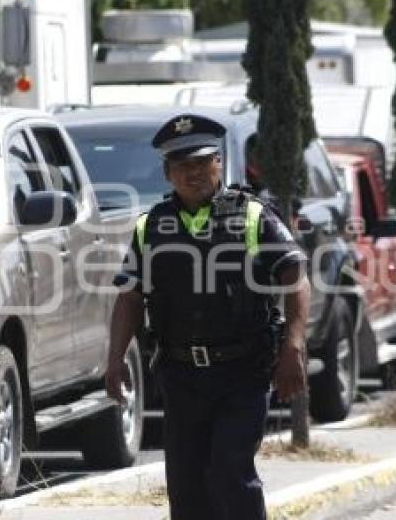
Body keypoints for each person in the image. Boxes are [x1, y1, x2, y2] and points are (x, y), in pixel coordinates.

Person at [105, 114, 311, 520]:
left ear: (219, 163)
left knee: (230, 472)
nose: (194, 173)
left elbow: (296, 278)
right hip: (181, 375)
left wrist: (294, 345)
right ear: (168, 173)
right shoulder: (151, 226)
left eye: (202, 162)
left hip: (243, 371)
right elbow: (130, 297)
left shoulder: (252, 216)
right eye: (183, 166)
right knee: (187, 488)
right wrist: (114, 358)